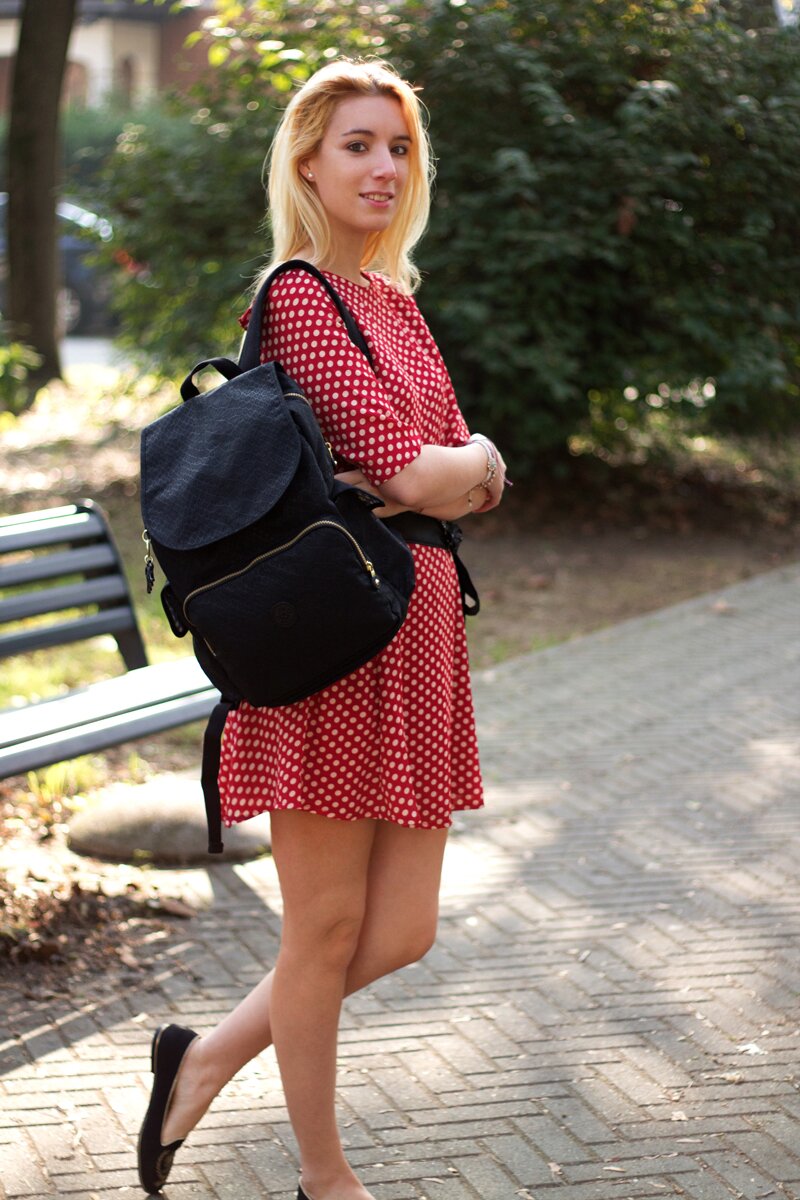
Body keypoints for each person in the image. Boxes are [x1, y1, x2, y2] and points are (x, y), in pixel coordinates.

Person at [137, 57, 506, 1200]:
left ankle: (197, 1061)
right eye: (356, 145)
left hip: (421, 632)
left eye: (397, 148)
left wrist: (460, 470)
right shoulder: (298, 294)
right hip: (334, 640)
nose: (383, 168)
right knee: (325, 930)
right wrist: (466, 467)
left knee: (398, 933)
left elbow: (446, 472)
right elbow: (415, 466)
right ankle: (323, 1177)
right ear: (306, 162)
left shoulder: (396, 302)